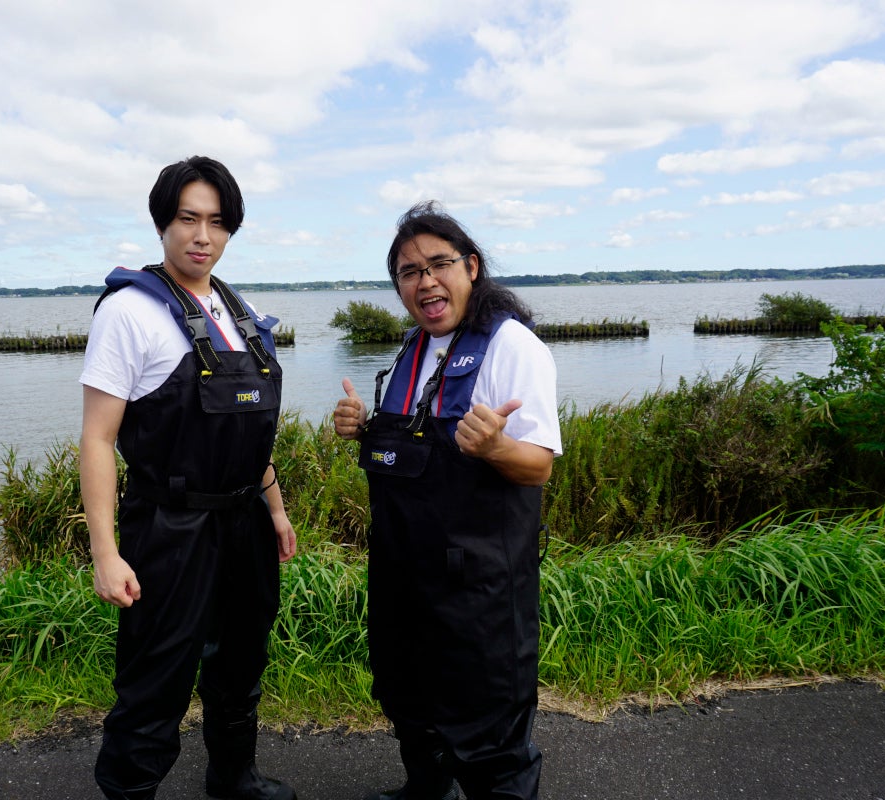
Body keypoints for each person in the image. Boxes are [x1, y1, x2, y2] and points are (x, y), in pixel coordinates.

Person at [79, 156, 297, 800]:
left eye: (218, 223)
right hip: (170, 528)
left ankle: (234, 779)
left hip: (245, 521)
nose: (203, 236)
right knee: (157, 677)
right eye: (188, 219)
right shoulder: (128, 313)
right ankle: (130, 791)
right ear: (162, 223)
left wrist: (276, 511)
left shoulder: (240, 309)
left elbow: (247, 436)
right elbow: (96, 438)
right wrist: (105, 551)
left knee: (240, 665)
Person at [333, 202, 561, 800]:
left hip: (479, 582)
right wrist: (363, 426)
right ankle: (426, 789)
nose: (425, 280)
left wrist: (494, 447)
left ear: (473, 267)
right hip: (403, 572)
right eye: (409, 271)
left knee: (489, 728)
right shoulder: (413, 349)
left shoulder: (512, 347)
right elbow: (407, 454)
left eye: (439, 264)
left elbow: (537, 466)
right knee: (408, 697)